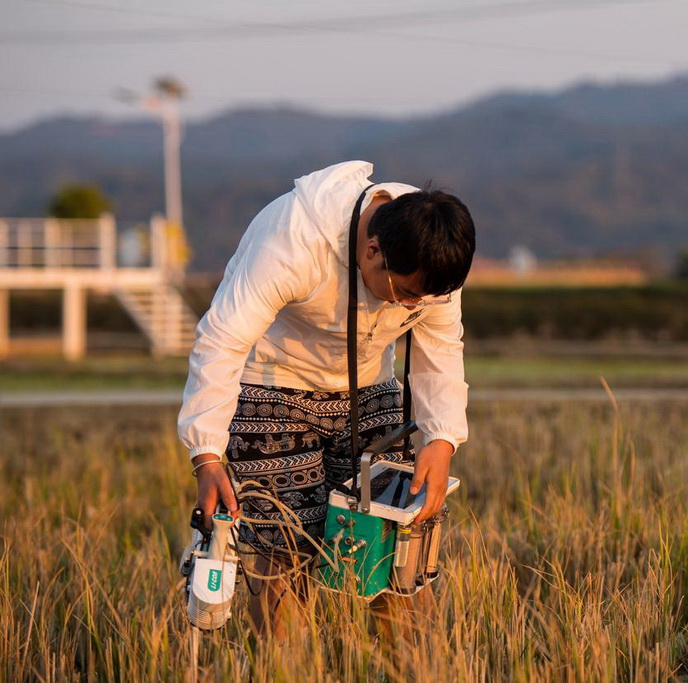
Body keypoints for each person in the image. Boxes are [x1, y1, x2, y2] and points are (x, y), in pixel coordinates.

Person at [177, 160, 475, 636]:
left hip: (368, 383)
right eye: (408, 294)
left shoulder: (431, 261)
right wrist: (206, 454)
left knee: (393, 545)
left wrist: (442, 441)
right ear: (373, 250)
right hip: (273, 382)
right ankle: (288, 666)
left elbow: (441, 349)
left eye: (426, 299)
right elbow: (222, 340)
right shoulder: (293, 239)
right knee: (287, 551)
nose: (413, 307)